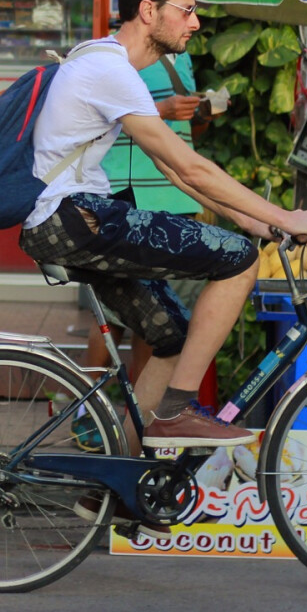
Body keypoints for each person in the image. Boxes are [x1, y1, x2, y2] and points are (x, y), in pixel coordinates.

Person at [18, 0, 307, 497]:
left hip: (70, 219)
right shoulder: (108, 69)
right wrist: (284, 215)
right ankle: (176, 414)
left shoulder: (107, 63)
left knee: (170, 337)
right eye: (186, 9)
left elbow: (178, 173)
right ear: (148, 11)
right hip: (77, 218)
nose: (196, 20)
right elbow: (190, 164)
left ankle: (122, 481)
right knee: (236, 262)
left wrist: (260, 222)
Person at [70, 52, 205, 452]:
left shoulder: (183, 59)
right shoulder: (124, 55)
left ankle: (138, 416)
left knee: (155, 313)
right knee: (113, 310)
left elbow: (181, 129)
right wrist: (160, 110)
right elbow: (104, 120)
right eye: (186, 7)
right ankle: (85, 408)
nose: (193, 20)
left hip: (174, 192)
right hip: (125, 189)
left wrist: (199, 113)